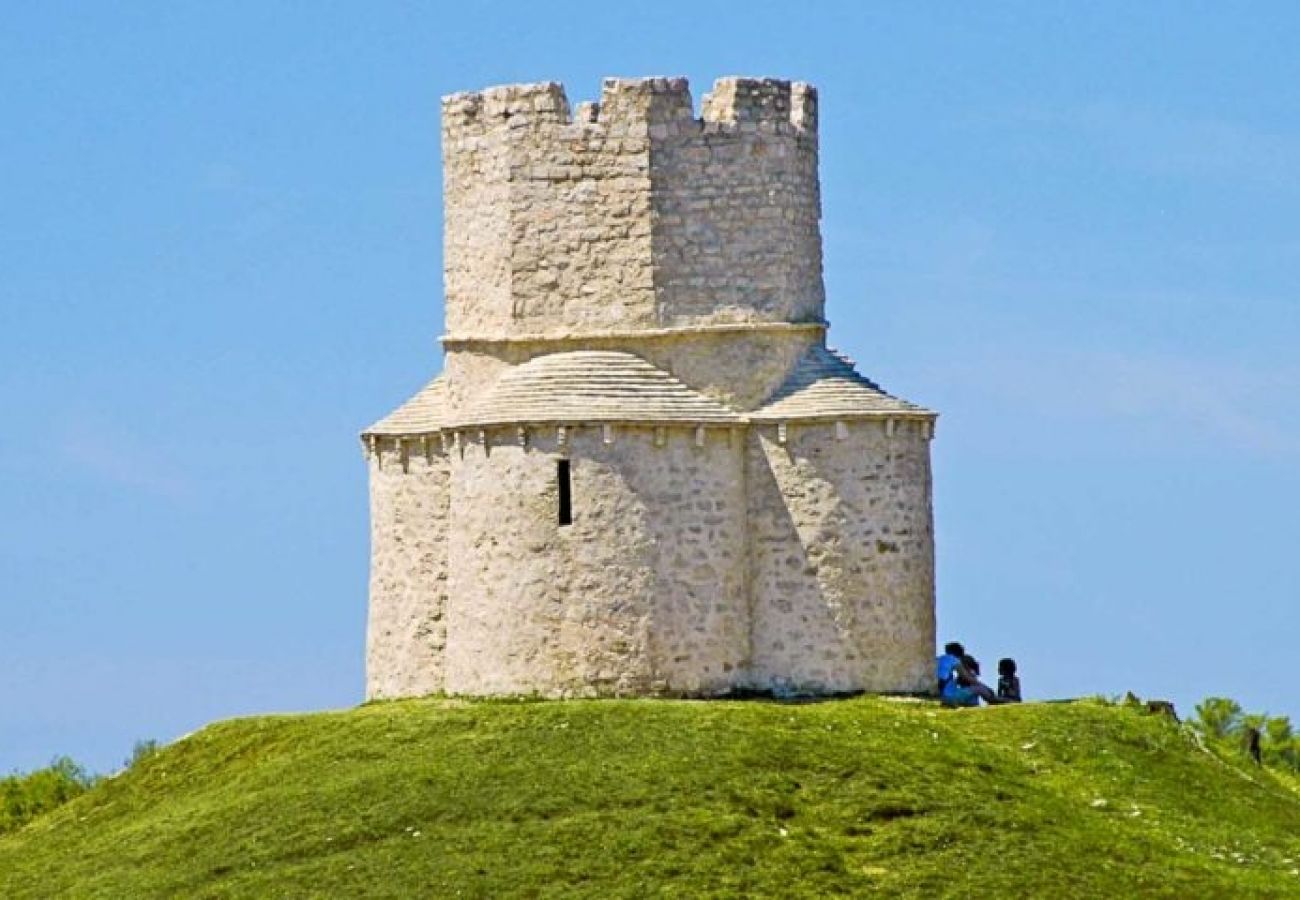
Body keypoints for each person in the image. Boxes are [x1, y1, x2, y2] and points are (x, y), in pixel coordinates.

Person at [936, 642, 1000, 707]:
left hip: (940, 695)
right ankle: (995, 700)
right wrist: (987, 688)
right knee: (980, 689)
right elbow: (967, 678)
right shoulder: (954, 659)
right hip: (950, 697)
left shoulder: (938, 659)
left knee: (970, 692)